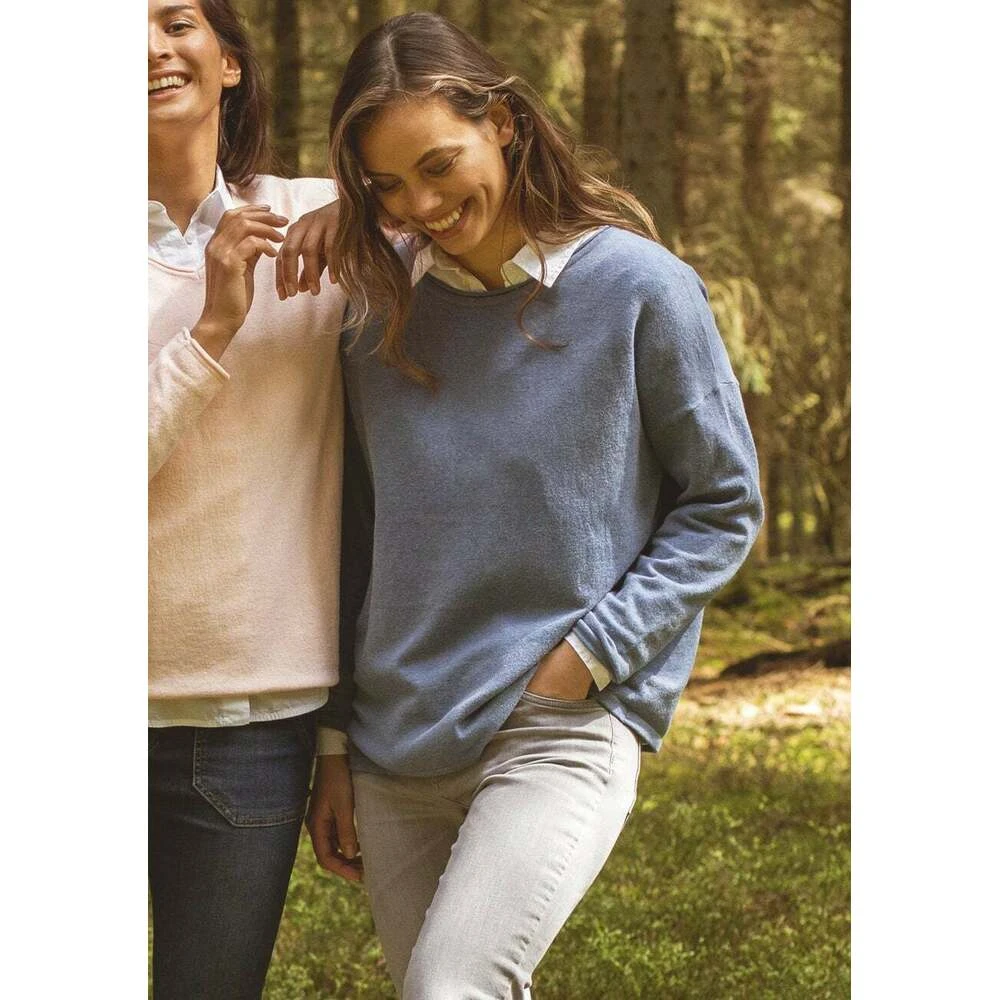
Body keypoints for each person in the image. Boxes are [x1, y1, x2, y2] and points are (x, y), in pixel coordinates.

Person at [306, 11, 765, 1000]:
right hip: (396, 736)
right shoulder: (372, 322)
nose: (423, 204)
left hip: (559, 717)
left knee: (451, 986)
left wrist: (588, 657)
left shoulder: (640, 289)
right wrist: (336, 743)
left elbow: (722, 503)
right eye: (388, 186)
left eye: (439, 165)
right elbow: (353, 539)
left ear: (504, 123)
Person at [147, 1, 356, 996]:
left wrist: (373, 212)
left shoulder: (324, 215)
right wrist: (212, 328)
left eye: (176, 20)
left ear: (229, 60)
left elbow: (496, 212)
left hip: (249, 722)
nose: (149, 49)